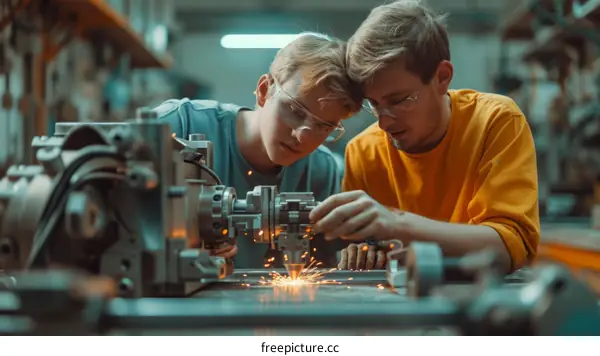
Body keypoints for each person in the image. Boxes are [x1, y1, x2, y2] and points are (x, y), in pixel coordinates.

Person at [309, 0, 540, 273]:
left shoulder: (495, 121)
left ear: (442, 77)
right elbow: (367, 245)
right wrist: (361, 251)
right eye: (375, 104)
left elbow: (510, 246)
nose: (384, 122)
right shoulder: (363, 151)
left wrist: (398, 224)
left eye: (399, 100)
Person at [153, 32, 362, 268]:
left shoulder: (321, 170)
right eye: (295, 110)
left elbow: (324, 268)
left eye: (324, 126)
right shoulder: (179, 125)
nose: (303, 136)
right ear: (264, 91)